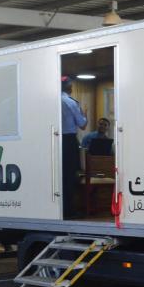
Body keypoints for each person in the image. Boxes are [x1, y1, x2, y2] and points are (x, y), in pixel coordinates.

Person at [61, 76, 87, 218]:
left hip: (55, 141)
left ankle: (60, 210)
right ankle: (70, 211)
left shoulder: (51, 101)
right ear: (69, 87)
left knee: (59, 176)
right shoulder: (71, 102)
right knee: (70, 177)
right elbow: (82, 124)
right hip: (69, 141)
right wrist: (85, 114)